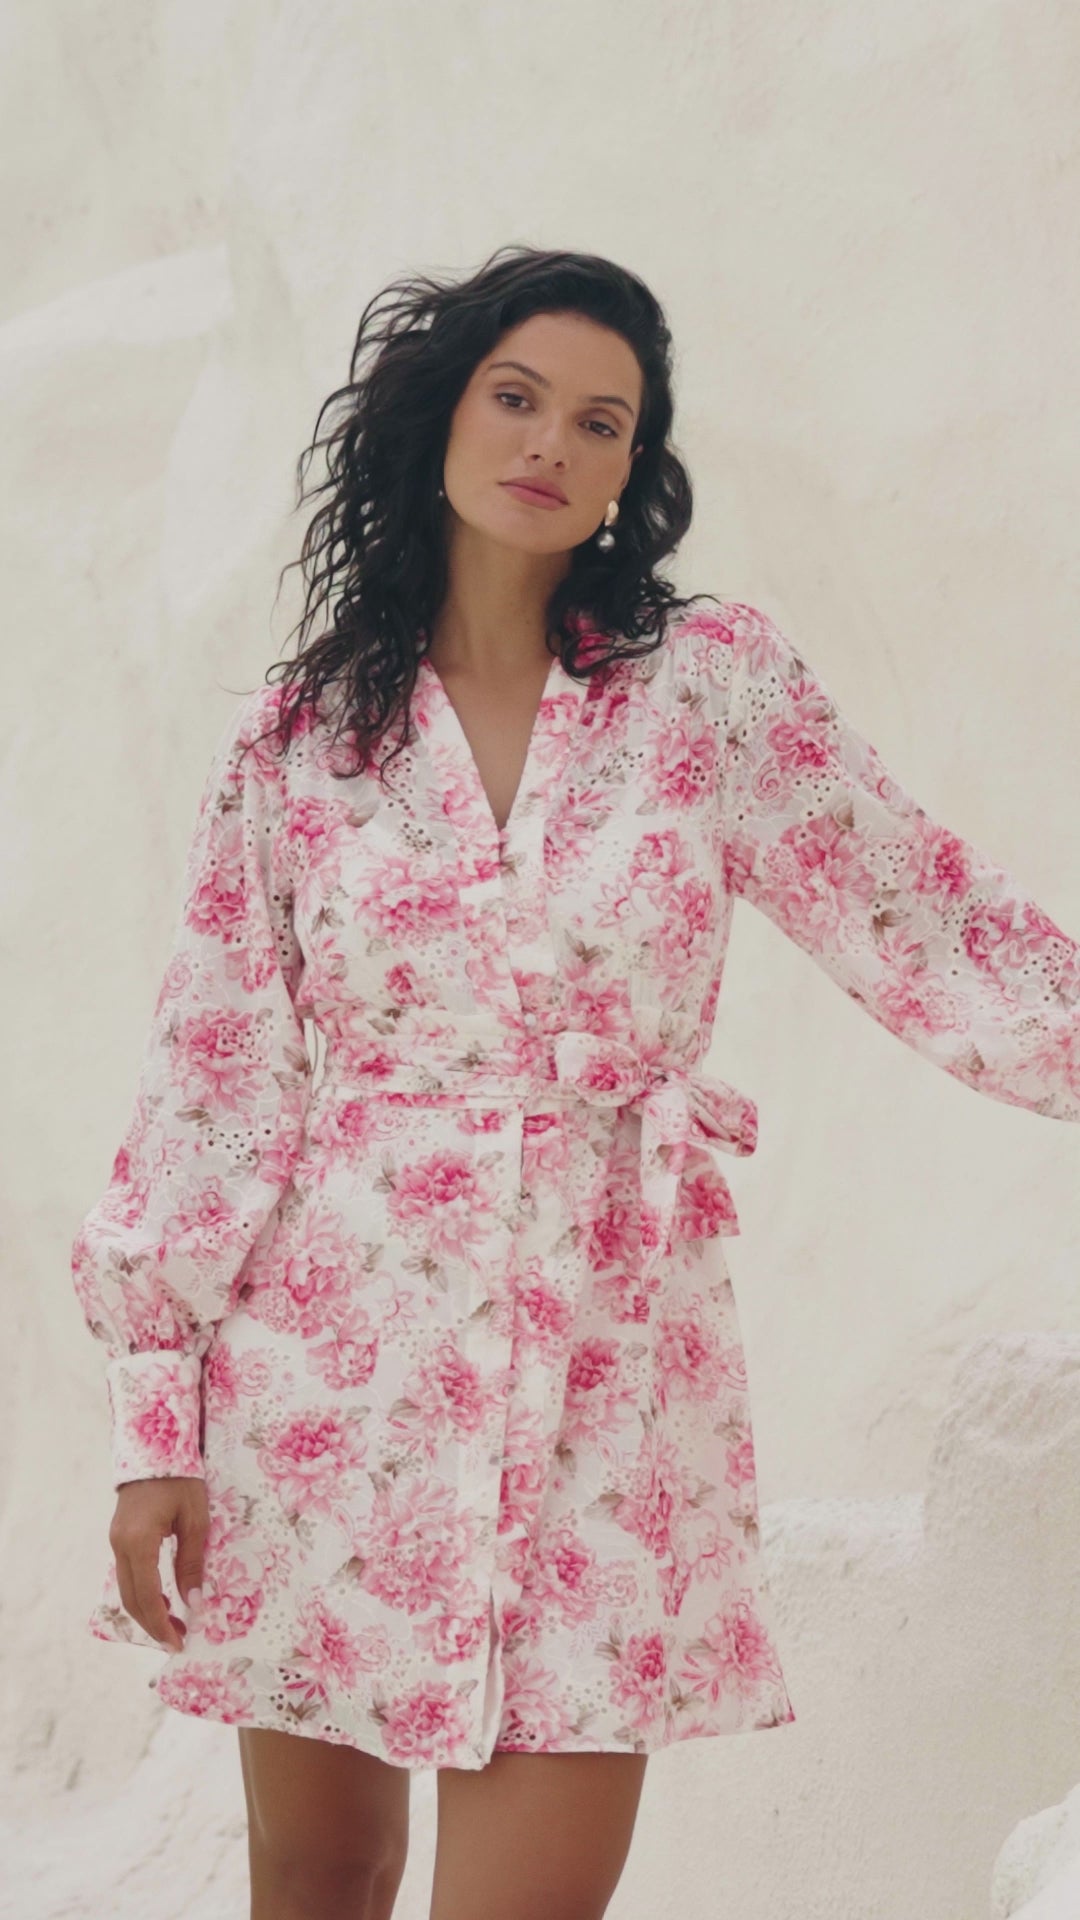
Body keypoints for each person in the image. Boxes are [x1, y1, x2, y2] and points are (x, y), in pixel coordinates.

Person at [71, 243, 1080, 1920]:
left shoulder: (711, 689)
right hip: (329, 1378)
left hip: (611, 1374)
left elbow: (923, 914)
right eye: (518, 397)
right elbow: (214, 1080)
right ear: (442, 417)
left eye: (602, 422)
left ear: (633, 471)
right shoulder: (299, 743)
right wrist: (154, 1423)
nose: (552, 442)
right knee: (320, 1877)